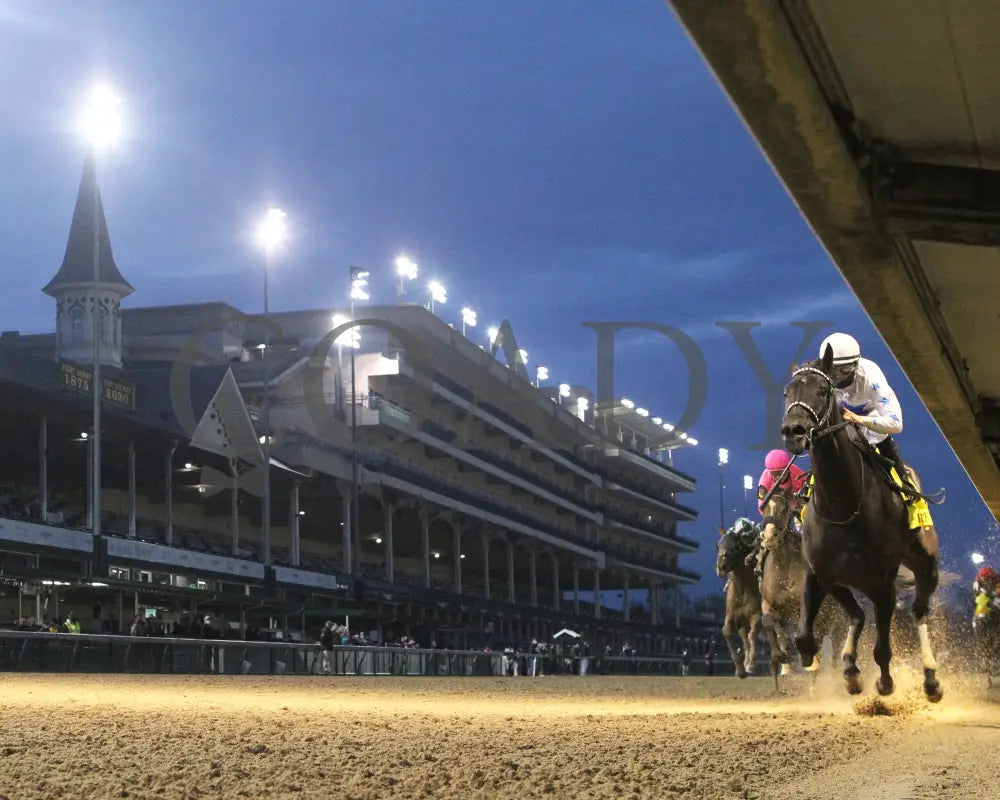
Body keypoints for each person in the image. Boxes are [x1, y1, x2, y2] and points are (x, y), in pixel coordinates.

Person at [818, 332, 934, 532]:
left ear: (855, 366)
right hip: (841, 424)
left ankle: (911, 496)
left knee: (883, 446)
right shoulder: (821, 378)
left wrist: (859, 419)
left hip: (871, 422)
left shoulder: (872, 378)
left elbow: (896, 424)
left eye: (843, 371)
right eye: (831, 370)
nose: (835, 377)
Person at [753, 449, 809, 575]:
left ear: (788, 469)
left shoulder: (797, 474)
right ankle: (760, 561)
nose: (777, 477)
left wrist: (797, 508)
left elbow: (807, 496)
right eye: (774, 474)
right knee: (767, 533)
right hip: (776, 509)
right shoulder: (764, 481)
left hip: (795, 504)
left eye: (780, 473)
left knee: (805, 524)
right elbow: (762, 507)